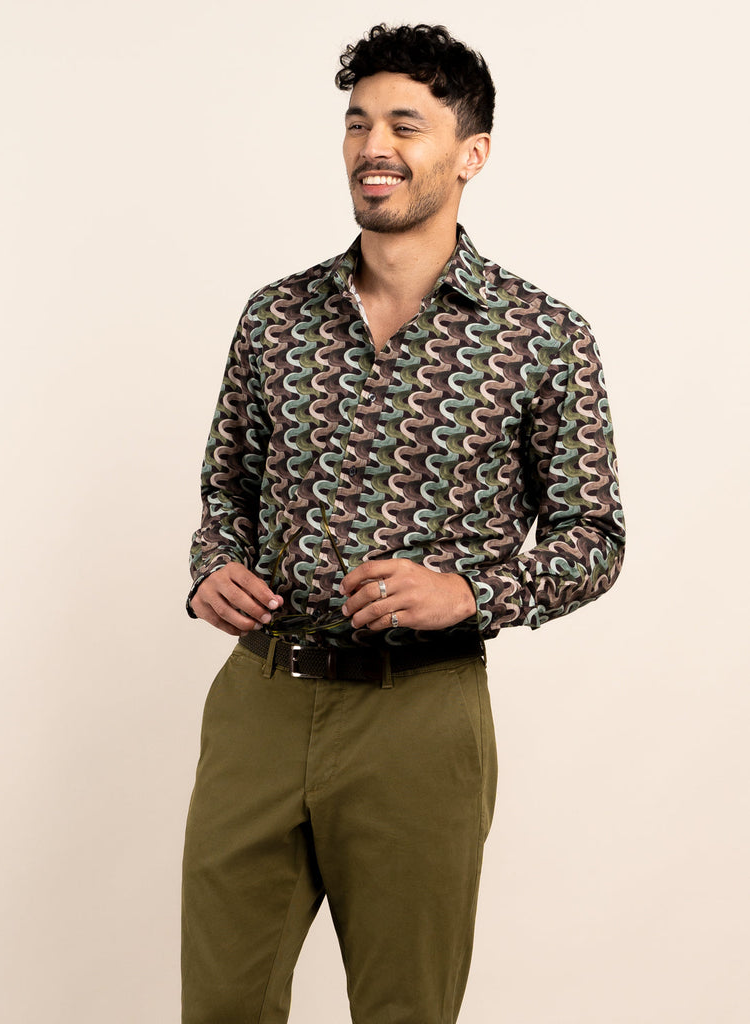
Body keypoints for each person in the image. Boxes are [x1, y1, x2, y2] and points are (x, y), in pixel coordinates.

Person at [181, 23, 625, 1024]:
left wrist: (470, 592)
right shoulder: (274, 317)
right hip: (259, 701)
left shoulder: (540, 337)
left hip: (419, 717)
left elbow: (593, 536)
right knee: (218, 1008)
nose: (372, 146)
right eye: (357, 123)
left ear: (472, 153)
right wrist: (213, 565)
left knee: (405, 1012)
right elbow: (225, 490)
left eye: (404, 125)